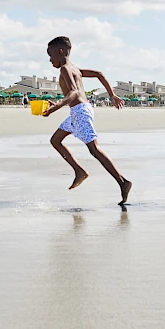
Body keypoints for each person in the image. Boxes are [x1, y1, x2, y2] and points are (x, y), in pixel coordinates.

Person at [43, 36, 132, 205]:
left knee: (94, 150)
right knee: (55, 140)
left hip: (80, 112)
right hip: (79, 111)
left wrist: (55, 108)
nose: (49, 59)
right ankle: (79, 171)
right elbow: (99, 74)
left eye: (50, 54)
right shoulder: (74, 69)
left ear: (60, 52)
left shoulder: (65, 69)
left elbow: (75, 93)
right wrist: (111, 95)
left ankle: (122, 182)